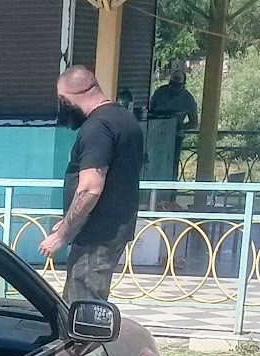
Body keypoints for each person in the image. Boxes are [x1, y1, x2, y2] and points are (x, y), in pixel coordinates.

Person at [39, 65, 143, 304]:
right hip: (112, 230)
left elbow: (89, 189)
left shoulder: (96, 127)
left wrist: (62, 234)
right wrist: (68, 220)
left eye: (63, 100)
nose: (62, 107)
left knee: (82, 311)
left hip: (95, 236)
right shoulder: (125, 119)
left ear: (79, 93)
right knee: (84, 306)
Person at [149, 68, 198, 134]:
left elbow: (194, 123)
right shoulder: (160, 92)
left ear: (183, 85)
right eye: (172, 84)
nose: (173, 87)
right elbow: (151, 110)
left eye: (177, 85)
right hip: (156, 131)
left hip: (176, 135)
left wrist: (178, 128)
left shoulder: (188, 99)